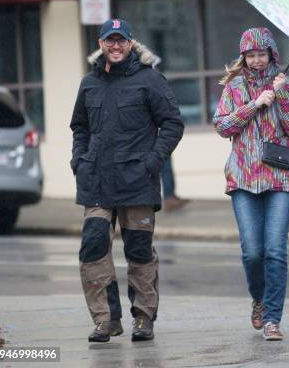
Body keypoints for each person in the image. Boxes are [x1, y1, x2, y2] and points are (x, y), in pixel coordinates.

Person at [69, 18, 184, 342]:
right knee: (93, 246)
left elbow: (173, 124)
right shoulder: (89, 83)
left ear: (131, 44)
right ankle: (106, 319)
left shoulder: (150, 80)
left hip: (137, 181)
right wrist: (79, 160)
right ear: (101, 44)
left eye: (121, 41)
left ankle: (144, 318)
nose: (115, 46)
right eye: (110, 41)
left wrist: (153, 162)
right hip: (96, 181)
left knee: (138, 250)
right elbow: (80, 127)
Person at [213, 27, 289, 341]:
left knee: (275, 251)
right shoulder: (235, 86)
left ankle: (272, 320)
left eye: (261, 54)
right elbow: (223, 126)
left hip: (281, 178)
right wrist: (255, 104)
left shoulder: (288, 84)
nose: (256, 60)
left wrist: (280, 96)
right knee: (253, 253)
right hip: (243, 179)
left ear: (272, 54)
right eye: (250, 55)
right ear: (244, 56)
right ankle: (259, 298)